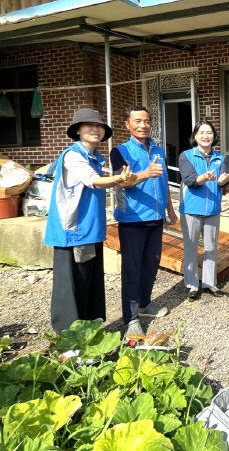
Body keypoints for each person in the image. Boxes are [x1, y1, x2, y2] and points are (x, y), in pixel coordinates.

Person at [44, 108, 133, 334]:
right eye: (88, 125)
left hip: (90, 230)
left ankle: (90, 331)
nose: (95, 129)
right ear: (78, 130)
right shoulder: (73, 156)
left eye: (99, 126)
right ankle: (70, 339)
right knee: (73, 286)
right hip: (73, 231)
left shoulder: (93, 157)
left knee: (89, 283)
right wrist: (118, 179)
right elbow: (92, 180)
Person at [111, 105, 178, 338]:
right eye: (137, 121)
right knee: (132, 269)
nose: (143, 125)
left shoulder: (159, 149)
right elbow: (122, 182)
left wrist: (170, 209)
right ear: (127, 125)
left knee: (151, 264)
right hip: (133, 219)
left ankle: (144, 304)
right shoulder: (120, 151)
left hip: (156, 218)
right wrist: (145, 173)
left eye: (147, 121)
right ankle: (131, 319)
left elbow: (164, 183)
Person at [178, 120, 229, 299]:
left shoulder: (220, 158)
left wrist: (223, 181)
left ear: (214, 137)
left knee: (211, 247)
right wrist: (203, 178)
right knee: (190, 247)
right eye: (201, 132)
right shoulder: (186, 156)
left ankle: (210, 283)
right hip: (191, 209)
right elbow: (190, 180)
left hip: (213, 209)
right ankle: (192, 284)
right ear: (195, 136)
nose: (205, 136)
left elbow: (222, 181)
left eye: (209, 133)